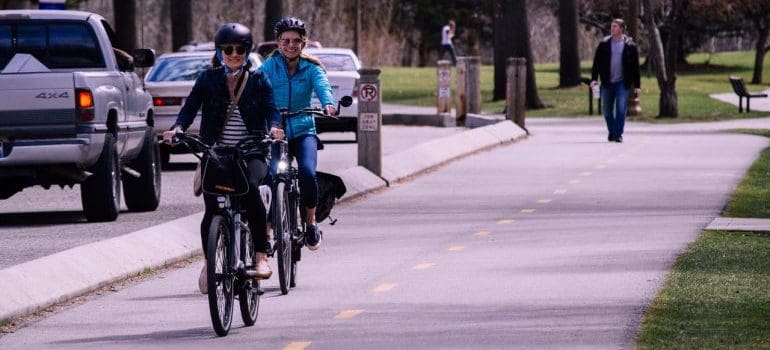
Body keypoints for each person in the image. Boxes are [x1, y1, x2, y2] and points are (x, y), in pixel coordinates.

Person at [163, 23, 284, 293]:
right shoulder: (208, 79)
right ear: (219, 52)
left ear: (247, 51)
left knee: (251, 191)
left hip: (251, 150)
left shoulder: (258, 80)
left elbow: (271, 109)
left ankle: (261, 257)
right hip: (216, 153)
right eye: (227, 49)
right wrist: (178, 129)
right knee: (212, 209)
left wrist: (275, 127)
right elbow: (190, 108)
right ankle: (209, 262)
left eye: (239, 49)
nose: (233, 54)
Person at [259, 17, 336, 251]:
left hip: (304, 130)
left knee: (307, 173)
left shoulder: (311, 68)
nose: (290, 45)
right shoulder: (268, 67)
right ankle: (270, 225)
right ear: (278, 43)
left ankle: (310, 222)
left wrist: (328, 104)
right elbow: (255, 87)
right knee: (272, 175)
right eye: (285, 41)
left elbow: (323, 87)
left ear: (304, 43)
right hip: (276, 132)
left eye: (295, 41)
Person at [590, 18, 640, 143]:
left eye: (615, 26)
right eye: (612, 26)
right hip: (607, 82)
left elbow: (635, 67)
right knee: (606, 110)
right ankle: (612, 131)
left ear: (622, 29)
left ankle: (618, 134)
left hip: (622, 82)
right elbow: (596, 63)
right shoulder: (604, 44)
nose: (612, 28)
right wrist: (594, 79)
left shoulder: (630, 46)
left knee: (621, 109)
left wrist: (637, 85)